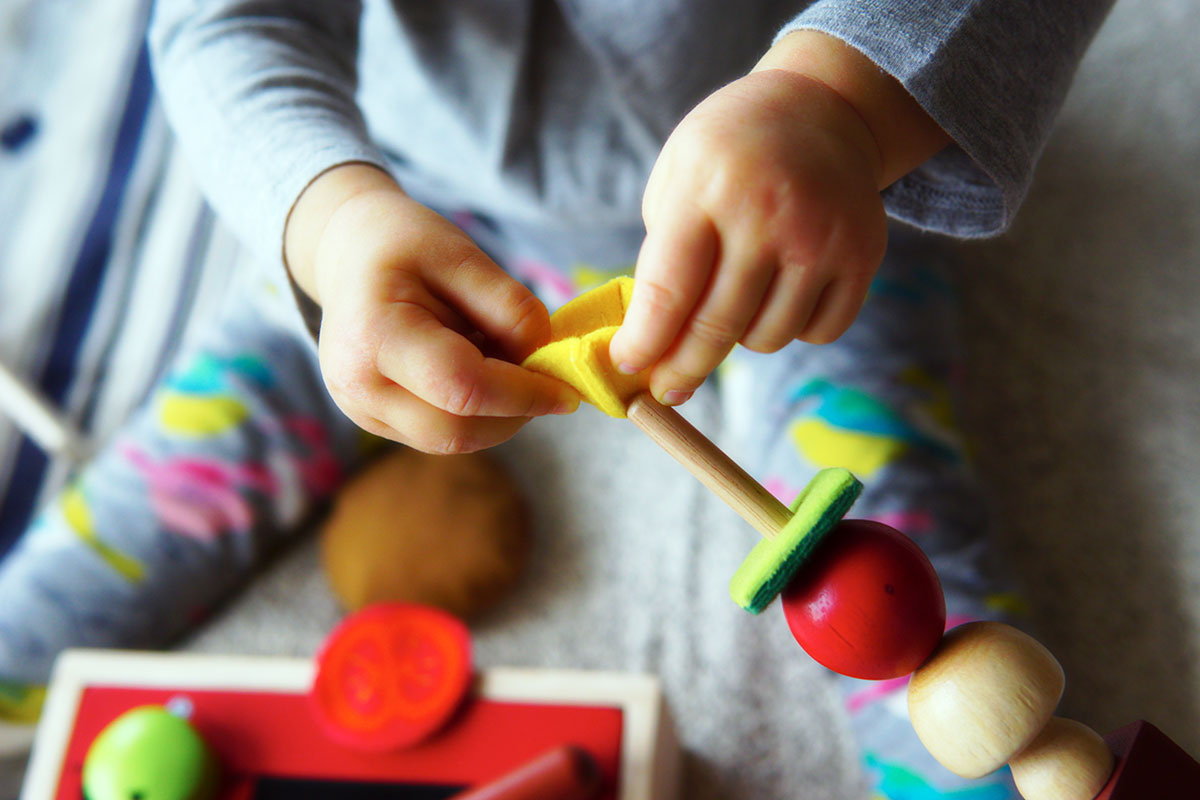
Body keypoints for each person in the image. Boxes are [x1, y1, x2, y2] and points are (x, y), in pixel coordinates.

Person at [0, 1, 1116, 796]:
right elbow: (224, 23)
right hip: (422, 220)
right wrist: (329, 223)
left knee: (889, 546)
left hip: (805, 205)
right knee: (189, 458)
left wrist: (843, 106)